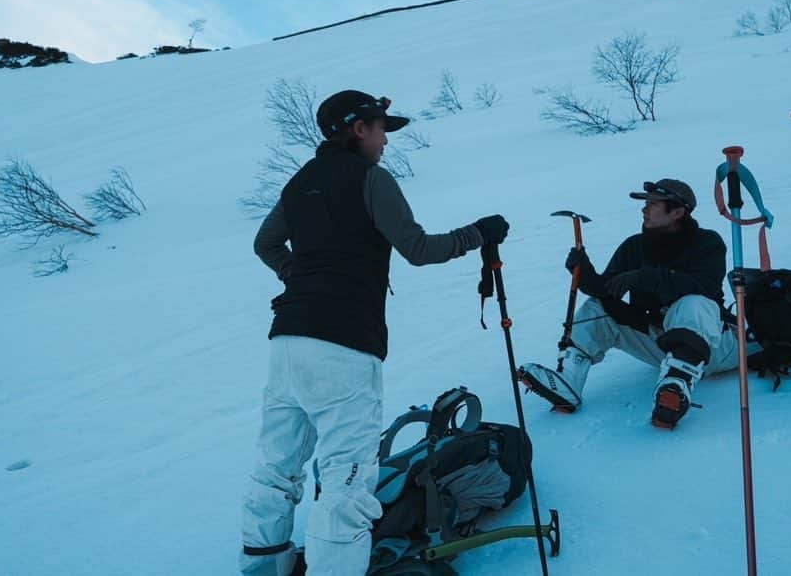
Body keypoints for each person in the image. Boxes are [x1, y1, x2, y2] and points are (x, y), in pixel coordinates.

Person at [240, 89, 509, 575]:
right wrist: (478, 233)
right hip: (343, 345)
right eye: (382, 128)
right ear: (358, 128)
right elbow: (418, 247)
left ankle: (264, 564)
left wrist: (298, 278)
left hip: (287, 341)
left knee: (278, 465)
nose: (386, 140)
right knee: (346, 478)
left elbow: (265, 243)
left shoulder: (299, 184)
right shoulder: (371, 178)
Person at [518, 179, 738, 429]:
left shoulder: (707, 242)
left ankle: (676, 388)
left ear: (677, 212)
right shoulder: (634, 247)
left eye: (652, 204)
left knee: (694, 304)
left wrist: (644, 276)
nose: (644, 209)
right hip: (664, 345)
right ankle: (568, 380)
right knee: (598, 310)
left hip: (714, 345)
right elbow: (607, 291)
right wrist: (584, 272)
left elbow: (702, 287)